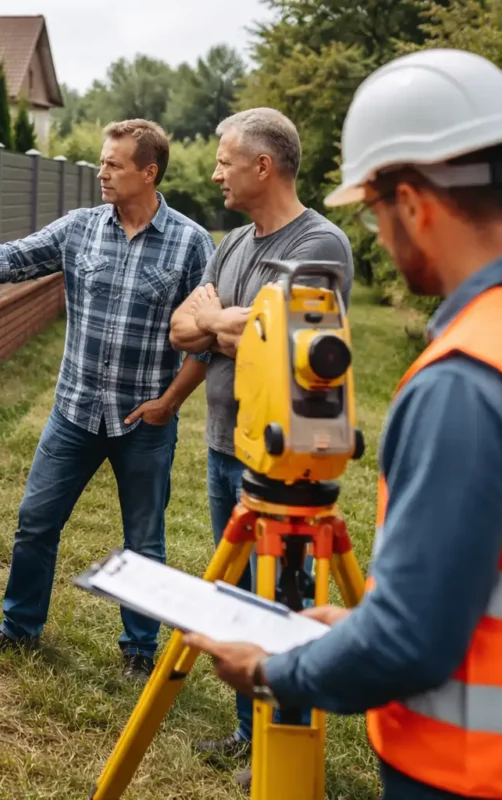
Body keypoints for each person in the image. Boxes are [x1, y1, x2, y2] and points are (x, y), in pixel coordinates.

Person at [184, 48, 502, 800]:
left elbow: (407, 643)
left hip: (480, 773)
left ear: (415, 206)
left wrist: (272, 670)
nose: (382, 240)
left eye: (377, 215)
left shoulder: (469, 380)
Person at [0, 119, 215, 681]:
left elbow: (205, 338)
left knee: (144, 542)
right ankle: (19, 628)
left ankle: (139, 649)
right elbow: (8, 258)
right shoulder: (79, 228)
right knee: (36, 522)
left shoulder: (191, 243)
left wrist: (168, 403)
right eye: (102, 161)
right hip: (75, 411)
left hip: (145, 421)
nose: (101, 172)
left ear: (148, 172)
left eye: (113, 164)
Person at [167, 107, 353, 776]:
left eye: (225, 161)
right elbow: (181, 329)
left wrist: (217, 320)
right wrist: (227, 322)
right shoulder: (234, 243)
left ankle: (285, 749)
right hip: (227, 445)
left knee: (284, 608)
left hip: (287, 465)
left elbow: (271, 332)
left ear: (263, 166)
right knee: (241, 598)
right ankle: (250, 732)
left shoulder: (321, 244)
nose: (216, 173)